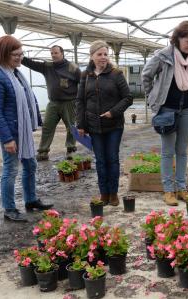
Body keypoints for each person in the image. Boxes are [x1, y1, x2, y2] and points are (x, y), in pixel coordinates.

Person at [0, 35, 53, 222]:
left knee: (30, 164)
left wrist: (35, 120)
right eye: (15, 54)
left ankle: (31, 200)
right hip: (10, 132)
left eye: (21, 54)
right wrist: (7, 139)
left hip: (22, 130)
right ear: (3, 54)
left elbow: (28, 99)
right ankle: (9, 209)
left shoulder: (15, 73)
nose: (20, 58)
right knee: (11, 169)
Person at [142, 20, 188, 206]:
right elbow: (146, 75)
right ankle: (168, 190)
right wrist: (153, 97)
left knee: (182, 150)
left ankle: (181, 188)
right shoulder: (163, 56)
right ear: (177, 39)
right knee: (167, 151)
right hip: (167, 109)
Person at [76, 40, 133, 206]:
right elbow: (80, 101)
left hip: (114, 125)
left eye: (105, 54)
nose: (103, 57)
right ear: (92, 56)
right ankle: (104, 193)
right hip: (94, 126)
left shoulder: (116, 74)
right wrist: (81, 124)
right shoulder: (85, 76)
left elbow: (128, 98)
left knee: (112, 159)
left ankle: (113, 193)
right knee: (100, 160)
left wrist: (113, 112)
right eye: (99, 54)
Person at [22, 45, 81, 161]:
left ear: (62, 53)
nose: (53, 55)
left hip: (69, 102)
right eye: (52, 53)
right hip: (53, 102)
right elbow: (33, 64)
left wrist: (80, 100)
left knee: (71, 127)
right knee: (47, 126)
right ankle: (43, 151)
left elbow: (83, 82)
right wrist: (22, 58)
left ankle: (71, 150)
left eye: (56, 53)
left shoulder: (72, 67)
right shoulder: (48, 67)